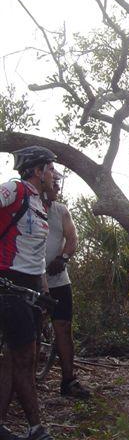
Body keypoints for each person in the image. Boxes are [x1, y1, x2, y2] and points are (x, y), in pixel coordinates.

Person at [0, 146, 58, 440]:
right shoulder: (14, 190)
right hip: (9, 285)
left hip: (31, 288)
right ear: (37, 171)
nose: (54, 174)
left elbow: (35, 258)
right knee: (25, 358)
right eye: (50, 169)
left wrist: (44, 292)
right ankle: (36, 429)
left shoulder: (38, 203)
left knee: (15, 358)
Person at [43, 172, 90, 399]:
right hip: (31, 279)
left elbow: (72, 238)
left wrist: (63, 258)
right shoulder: (26, 206)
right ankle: (23, 383)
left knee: (63, 328)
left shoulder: (61, 210)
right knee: (29, 335)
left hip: (59, 281)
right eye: (55, 183)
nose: (58, 188)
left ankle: (68, 381)